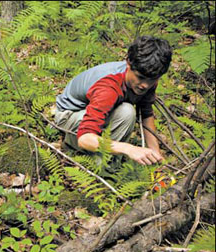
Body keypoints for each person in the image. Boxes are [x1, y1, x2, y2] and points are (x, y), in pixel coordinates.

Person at [55, 36, 172, 166]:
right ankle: (96, 164)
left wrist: (156, 155)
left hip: (93, 111)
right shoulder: (109, 87)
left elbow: (146, 114)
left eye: (152, 79)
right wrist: (128, 148)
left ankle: (105, 160)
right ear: (128, 63)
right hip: (69, 116)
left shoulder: (148, 78)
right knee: (126, 112)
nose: (145, 85)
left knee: (126, 111)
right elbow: (85, 138)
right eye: (141, 77)